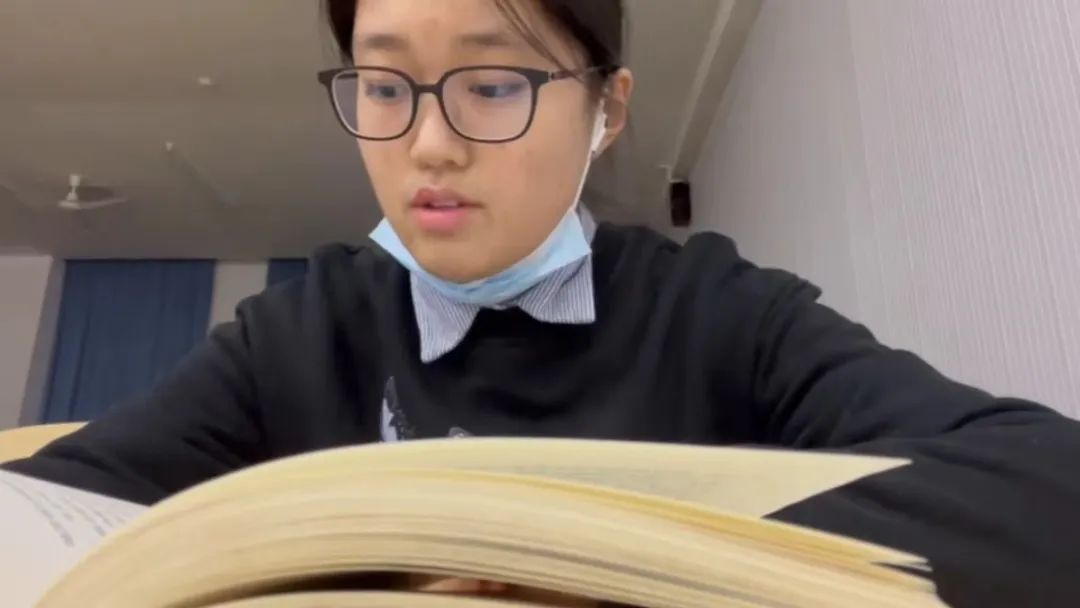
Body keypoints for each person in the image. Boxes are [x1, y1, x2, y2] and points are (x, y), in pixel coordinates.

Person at [5, 0, 1080, 606]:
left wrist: (598, 567)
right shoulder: (299, 332)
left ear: (607, 111)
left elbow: (1047, 489)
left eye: (492, 85)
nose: (429, 144)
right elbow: (51, 510)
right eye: (385, 87)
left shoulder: (712, 311)